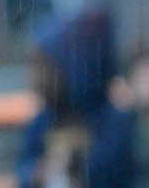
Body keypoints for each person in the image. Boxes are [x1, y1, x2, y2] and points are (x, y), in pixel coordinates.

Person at [18, 10, 136, 188]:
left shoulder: (114, 123)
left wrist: (77, 168)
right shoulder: (42, 122)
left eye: (44, 69)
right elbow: (25, 167)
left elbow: (116, 171)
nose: (34, 81)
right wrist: (37, 173)